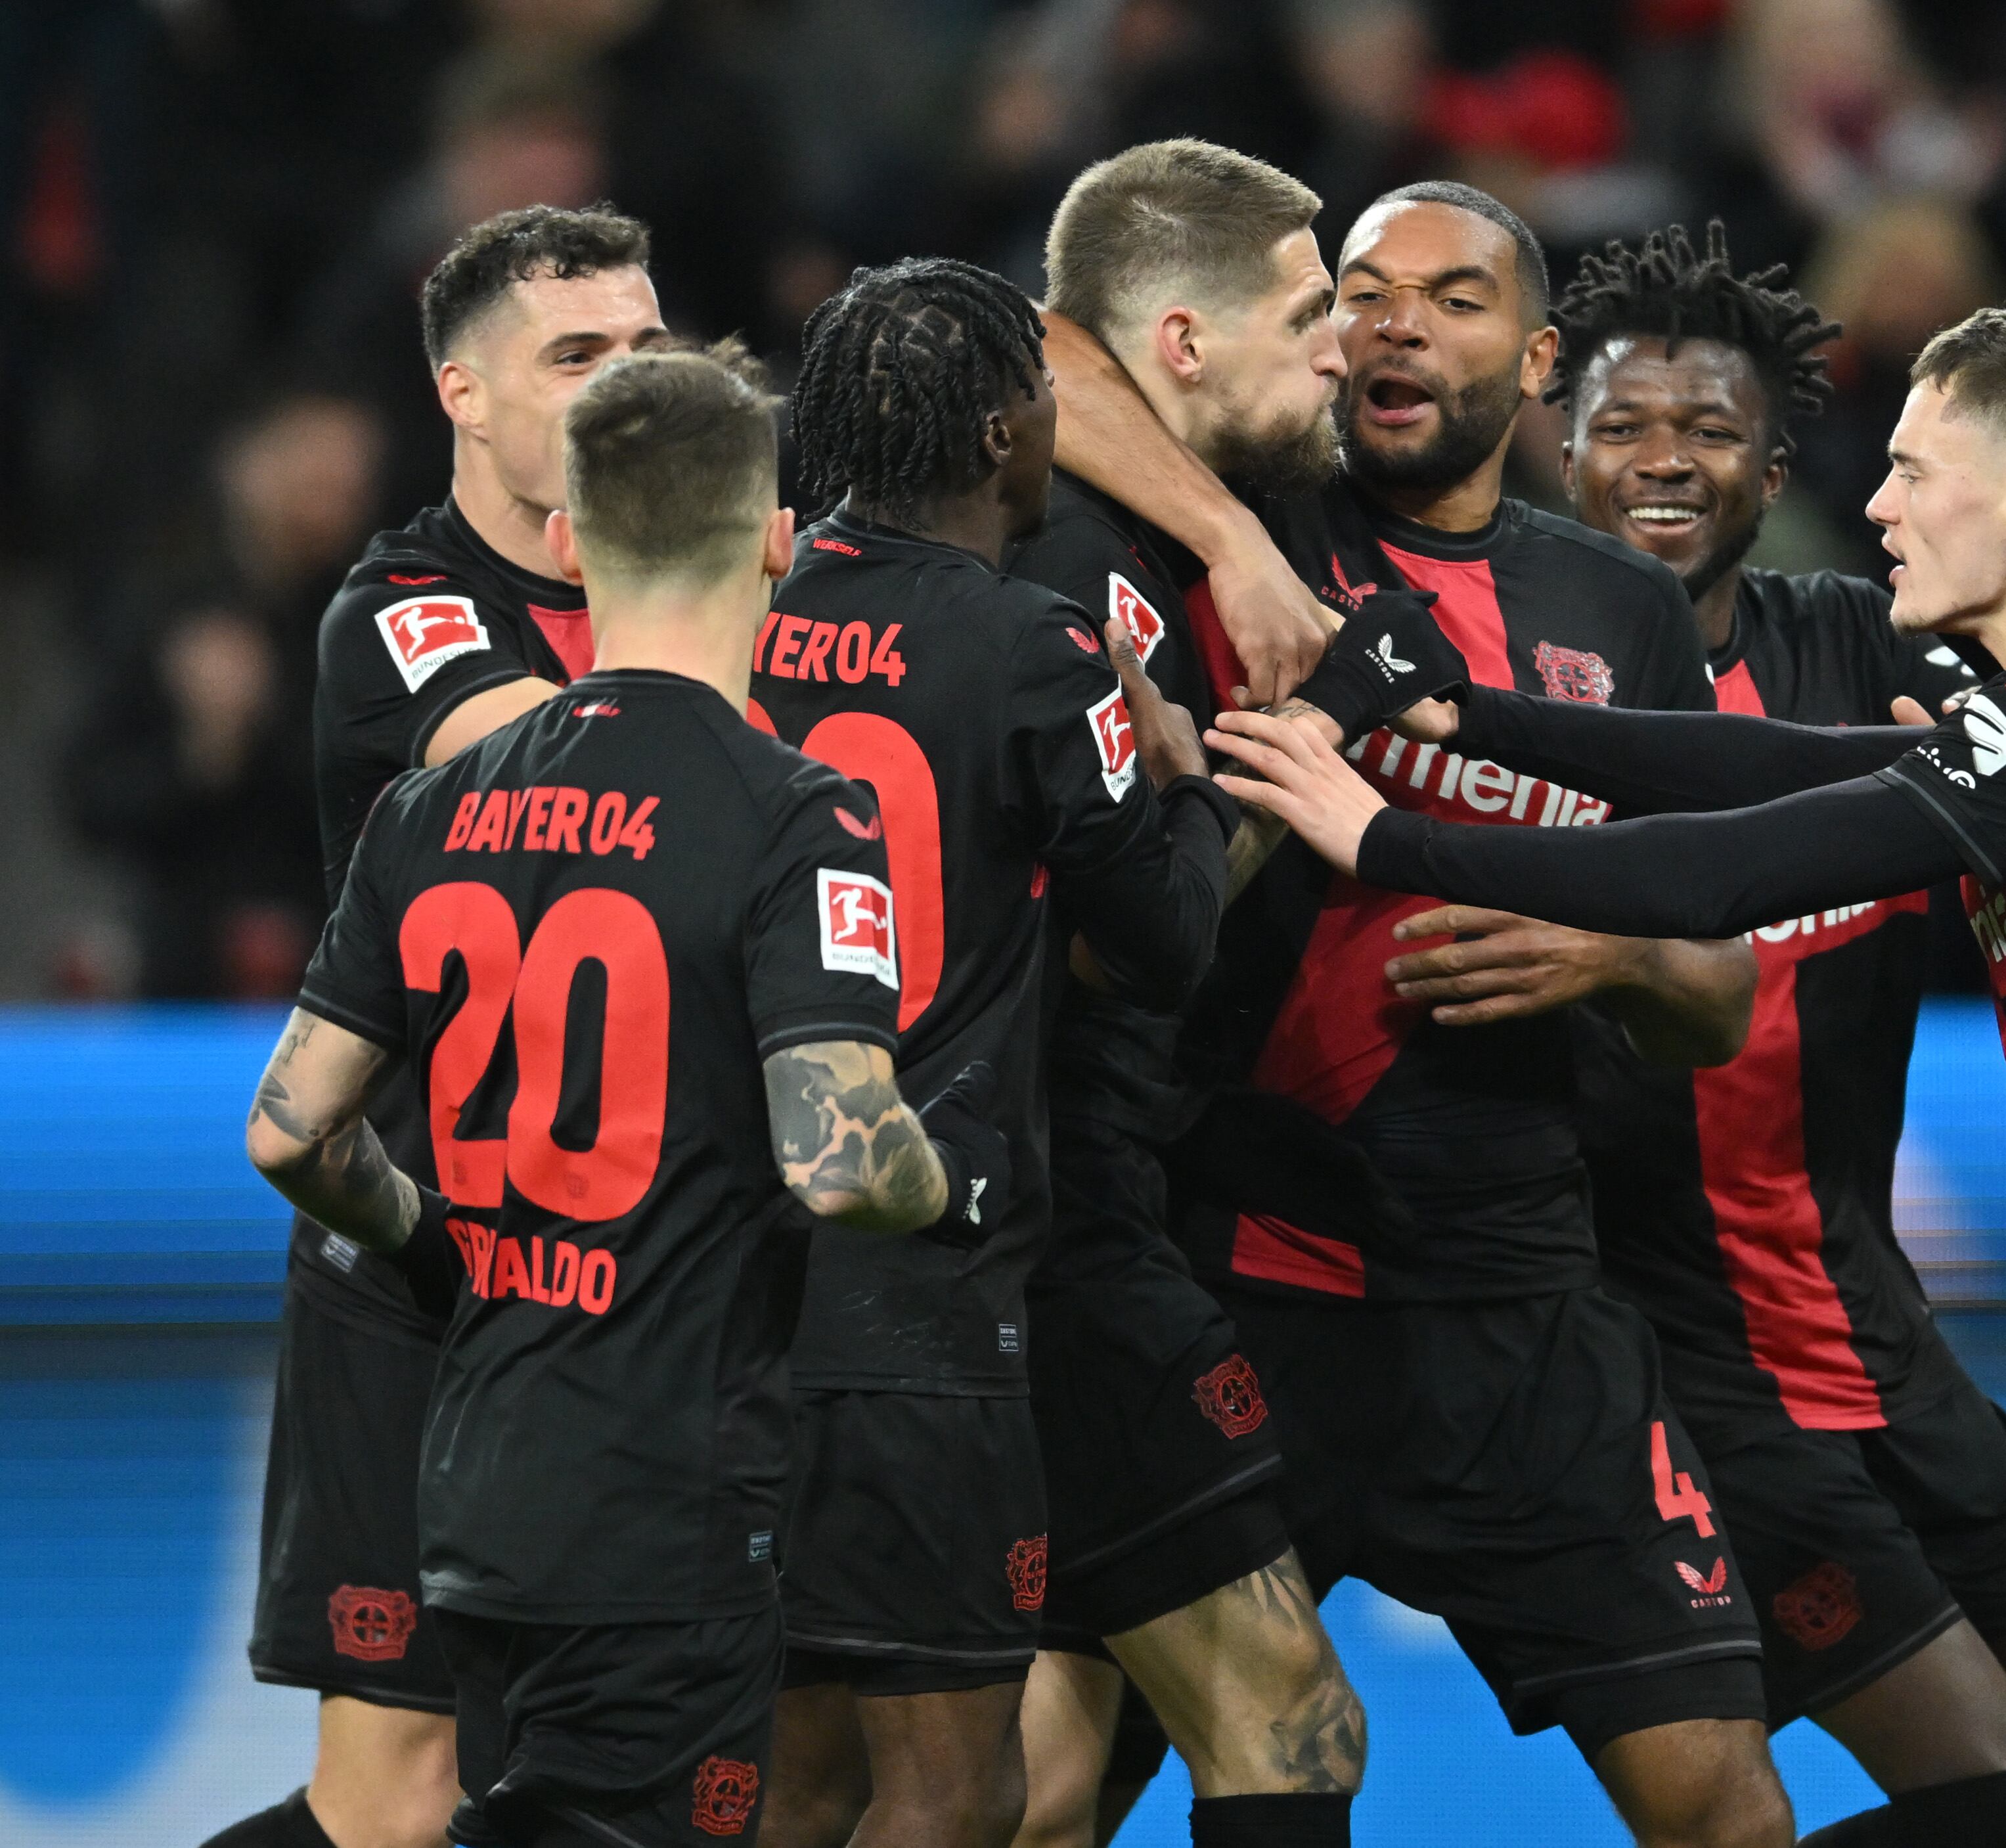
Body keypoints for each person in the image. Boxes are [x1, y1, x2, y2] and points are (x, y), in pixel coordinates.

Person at [1209, 303, 2006, 1848]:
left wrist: (1381, 835)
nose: (1874, 503)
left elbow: (1734, 866)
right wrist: (1478, 721)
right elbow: (1783, 764)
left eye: (1916, 468)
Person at [1044, 177, 1796, 1848]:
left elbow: (1721, 991)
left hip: (1521, 1306)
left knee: (1727, 1813)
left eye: (1450, 299)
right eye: (1361, 291)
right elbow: (1041, 349)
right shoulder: (1234, 511)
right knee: (1033, 1796)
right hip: (1233, 1272)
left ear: (1535, 363)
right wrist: (1238, 544)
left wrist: (1601, 953)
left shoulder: (1614, 612)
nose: (1389, 322)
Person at [241, 341, 1006, 1848]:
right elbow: (845, 1161)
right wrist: (943, 1180)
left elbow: (293, 1126)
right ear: (779, 541)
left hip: (472, 1471)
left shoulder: (434, 799)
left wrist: (434, 1254)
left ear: (574, 540)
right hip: (668, 1487)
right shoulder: (797, 809)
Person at [1544, 223, 2006, 1848]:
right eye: (1621, 428)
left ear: (1775, 460)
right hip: (1684, 1361)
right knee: (1995, 1801)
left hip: (1879, 1329)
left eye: (1710, 430)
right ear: (1558, 448)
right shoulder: (1507, 683)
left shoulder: (1864, 654)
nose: (1664, 462)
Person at [750, 258, 1247, 1848]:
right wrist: (1186, 777)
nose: (1059, 428)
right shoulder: (1037, 650)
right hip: (927, 1290)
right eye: (1043, 399)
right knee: (958, 1792)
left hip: (734, 1275)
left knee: (796, 1778)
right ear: (993, 436)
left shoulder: (743, 610)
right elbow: (1164, 945)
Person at [206, 203, 667, 1848]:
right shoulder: (406, 609)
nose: (627, 386)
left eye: (648, 351)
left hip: (654, 1277)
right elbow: (564, 773)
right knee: (397, 1796)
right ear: (463, 396)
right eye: (576, 356)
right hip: (428, 1267)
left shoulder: (727, 588)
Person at [996, 143, 1368, 1848]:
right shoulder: (1078, 555)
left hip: (1079, 1201)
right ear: (1185, 338)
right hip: (1062, 1212)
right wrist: (1252, 800)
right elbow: (1089, 937)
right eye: (1309, 315)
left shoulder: (1214, 516)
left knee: (1027, 1781)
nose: (1345, 348)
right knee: (1285, 1719)